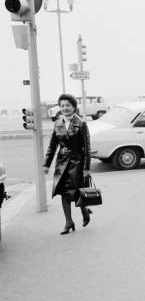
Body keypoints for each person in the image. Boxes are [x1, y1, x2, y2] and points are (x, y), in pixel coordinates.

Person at [43, 94, 92, 234]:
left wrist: (86, 168)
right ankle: (68, 222)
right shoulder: (57, 123)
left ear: (74, 107)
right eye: (62, 105)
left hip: (77, 163)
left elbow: (87, 148)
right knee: (63, 192)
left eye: (68, 105)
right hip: (61, 164)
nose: (65, 108)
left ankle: (85, 212)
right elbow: (52, 146)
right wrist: (46, 164)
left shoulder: (81, 123)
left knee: (77, 191)